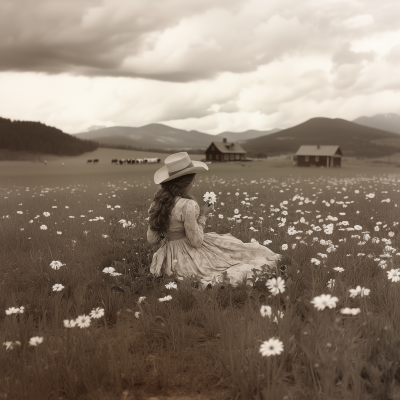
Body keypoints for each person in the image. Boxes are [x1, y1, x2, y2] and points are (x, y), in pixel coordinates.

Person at [147, 152, 289, 288]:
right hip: (187, 258)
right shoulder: (187, 205)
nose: (193, 184)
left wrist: (169, 233)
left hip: (169, 260)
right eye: (193, 181)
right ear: (186, 183)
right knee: (234, 255)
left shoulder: (157, 203)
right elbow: (196, 242)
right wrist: (204, 215)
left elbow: (152, 240)